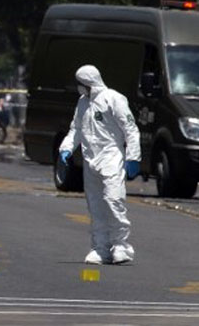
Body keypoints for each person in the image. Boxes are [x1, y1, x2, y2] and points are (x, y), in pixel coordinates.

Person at [58, 65, 141, 265]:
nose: (79, 87)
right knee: (95, 206)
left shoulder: (114, 99)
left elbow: (130, 129)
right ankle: (100, 248)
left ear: (89, 83)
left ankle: (120, 245)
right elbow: (76, 129)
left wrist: (133, 157)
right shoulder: (83, 102)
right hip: (90, 161)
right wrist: (66, 148)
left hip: (111, 158)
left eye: (80, 84)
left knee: (114, 201)